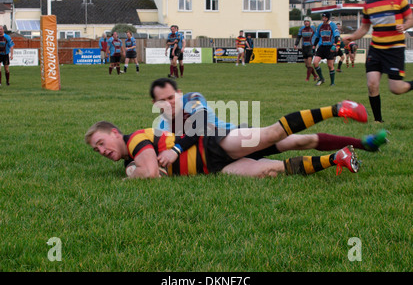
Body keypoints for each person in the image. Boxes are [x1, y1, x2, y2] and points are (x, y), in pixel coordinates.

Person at [86, 99, 370, 179]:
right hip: (215, 167)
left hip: (214, 142)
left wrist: (135, 173)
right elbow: (148, 172)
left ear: (114, 133)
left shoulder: (136, 139)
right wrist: (132, 170)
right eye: (96, 149)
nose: (101, 150)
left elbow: (150, 174)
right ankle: (337, 158)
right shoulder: (129, 160)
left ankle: (337, 108)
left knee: (275, 134)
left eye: (101, 142)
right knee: (275, 170)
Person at [149, 78, 387, 167]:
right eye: (163, 101)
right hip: (219, 162)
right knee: (273, 170)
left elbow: (198, 124)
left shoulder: (192, 99)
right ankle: (337, 159)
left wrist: (177, 148)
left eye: (171, 97)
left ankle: (361, 138)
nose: (169, 103)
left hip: (237, 139)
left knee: (300, 141)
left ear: (179, 93)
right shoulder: (159, 127)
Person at [344, 0, 413, 123]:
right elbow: (364, 28)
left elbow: (410, 18)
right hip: (376, 49)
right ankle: (377, 121)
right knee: (372, 84)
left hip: (395, 49)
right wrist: (351, 37)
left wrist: (405, 25)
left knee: (396, 89)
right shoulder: (368, 4)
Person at [312, 12, 341, 86]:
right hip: (321, 47)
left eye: (324, 17)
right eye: (323, 17)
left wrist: (335, 45)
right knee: (315, 62)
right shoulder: (320, 26)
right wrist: (314, 45)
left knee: (330, 65)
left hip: (330, 47)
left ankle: (332, 83)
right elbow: (318, 37)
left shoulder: (333, 25)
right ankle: (321, 78)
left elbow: (337, 37)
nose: (323, 19)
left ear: (328, 18)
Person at [294, 17, 318, 81]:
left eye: (307, 21)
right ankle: (315, 76)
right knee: (306, 65)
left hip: (311, 46)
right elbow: (298, 37)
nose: (306, 22)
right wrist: (296, 44)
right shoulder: (302, 29)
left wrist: (315, 45)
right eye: (305, 21)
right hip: (304, 47)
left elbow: (317, 37)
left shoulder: (313, 28)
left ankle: (307, 78)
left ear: (310, 22)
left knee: (309, 63)